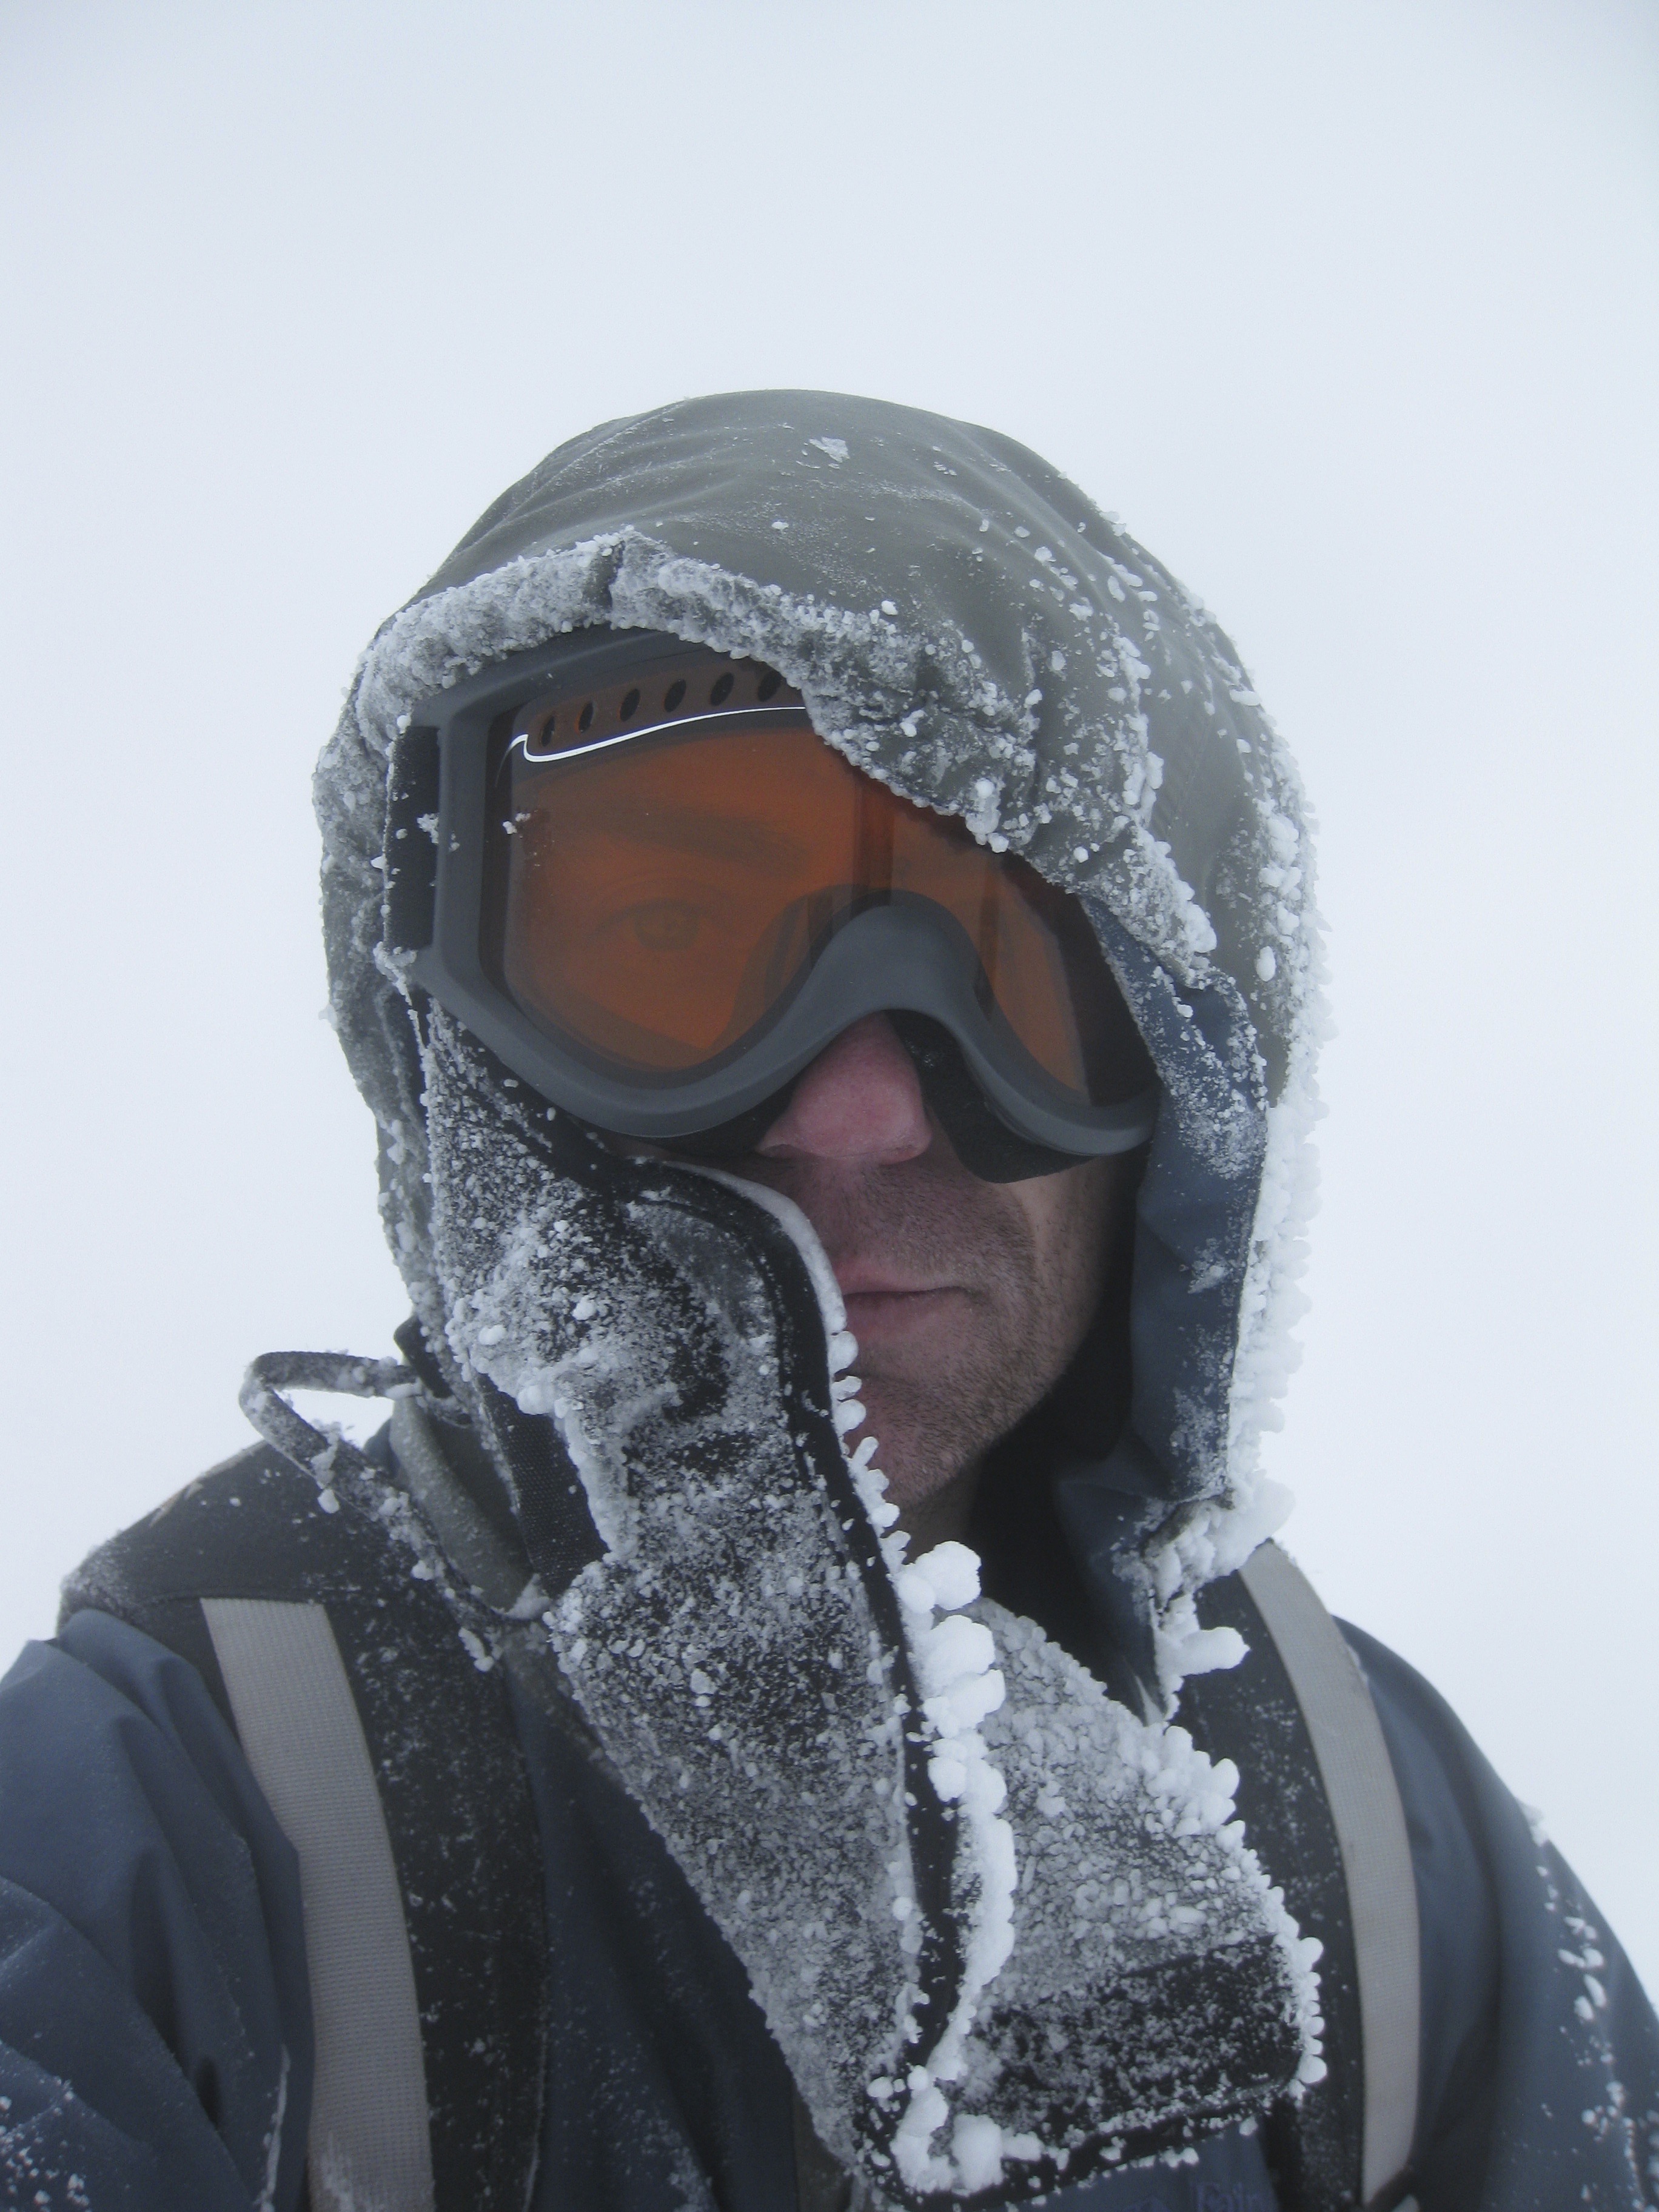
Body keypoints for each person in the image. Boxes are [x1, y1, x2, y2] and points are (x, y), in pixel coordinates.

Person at [0, 391, 1654, 2212]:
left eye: (1015, 978)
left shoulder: (1379, 1861)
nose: (862, 1111)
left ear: (1190, 1091)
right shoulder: (179, 1832)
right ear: (480, 1081)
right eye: (670, 949)